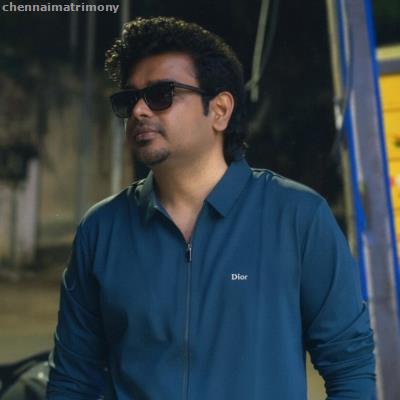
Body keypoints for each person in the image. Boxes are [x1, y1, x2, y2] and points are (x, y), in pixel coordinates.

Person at [47, 16, 375, 400]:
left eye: (160, 94)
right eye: (128, 99)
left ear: (219, 110)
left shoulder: (297, 218)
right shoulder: (102, 229)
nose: (138, 111)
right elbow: (73, 379)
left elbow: (350, 366)